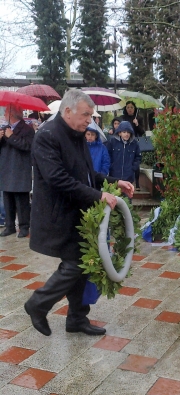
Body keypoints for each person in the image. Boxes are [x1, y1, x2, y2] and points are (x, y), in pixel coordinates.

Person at [24, 89, 134, 337]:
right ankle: (37, 304)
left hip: (79, 214)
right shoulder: (47, 136)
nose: (90, 120)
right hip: (58, 214)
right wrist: (98, 195)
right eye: (86, 115)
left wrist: (114, 183)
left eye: (91, 115)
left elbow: (87, 174)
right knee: (75, 264)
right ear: (67, 111)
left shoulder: (78, 135)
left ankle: (76, 319)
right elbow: (57, 179)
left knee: (85, 263)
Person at [0, 105, 35, 238]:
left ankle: (24, 226)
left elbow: (28, 147)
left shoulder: (27, 129)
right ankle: (9, 226)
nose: (4, 115)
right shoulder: (4, 129)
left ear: (11, 114)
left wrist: (12, 136)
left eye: (6, 112)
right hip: (6, 168)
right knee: (7, 198)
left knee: (21, 200)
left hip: (19, 169)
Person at [106, 121, 141, 187]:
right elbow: (108, 155)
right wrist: (111, 166)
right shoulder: (112, 142)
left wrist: (133, 168)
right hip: (114, 176)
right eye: (124, 132)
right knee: (115, 196)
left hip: (128, 177)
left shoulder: (134, 143)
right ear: (119, 133)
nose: (126, 134)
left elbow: (138, 157)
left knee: (127, 196)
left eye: (128, 132)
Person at [119, 101, 145, 191]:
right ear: (125, 109)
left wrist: (137, 124)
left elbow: (142, 132)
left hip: (134, 143)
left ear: (134, 108)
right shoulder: (122, 118)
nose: (129, 109)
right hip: (124, 143)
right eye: (128, 107)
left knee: (135, 163)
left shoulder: (139, 118)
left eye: (131, 107)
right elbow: (118, 128)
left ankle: (137, 183)